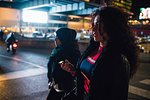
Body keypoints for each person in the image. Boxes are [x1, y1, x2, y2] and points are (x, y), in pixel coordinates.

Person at [61, 6, 139, 100]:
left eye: (97, 25)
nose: (93, 29)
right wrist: (74, 70)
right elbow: (90, 77)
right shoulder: (93, 48)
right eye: (93, 24)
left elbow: (118, 95)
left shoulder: (119, 59)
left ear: (111, 26)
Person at [47, 28, 81, 100]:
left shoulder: (72, 53)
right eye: (55, 37)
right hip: (56, 86)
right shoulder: (57, 51)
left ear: (63, 39)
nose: (55, 40)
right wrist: (50, 80)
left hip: (65, 88)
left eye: (58, 38)